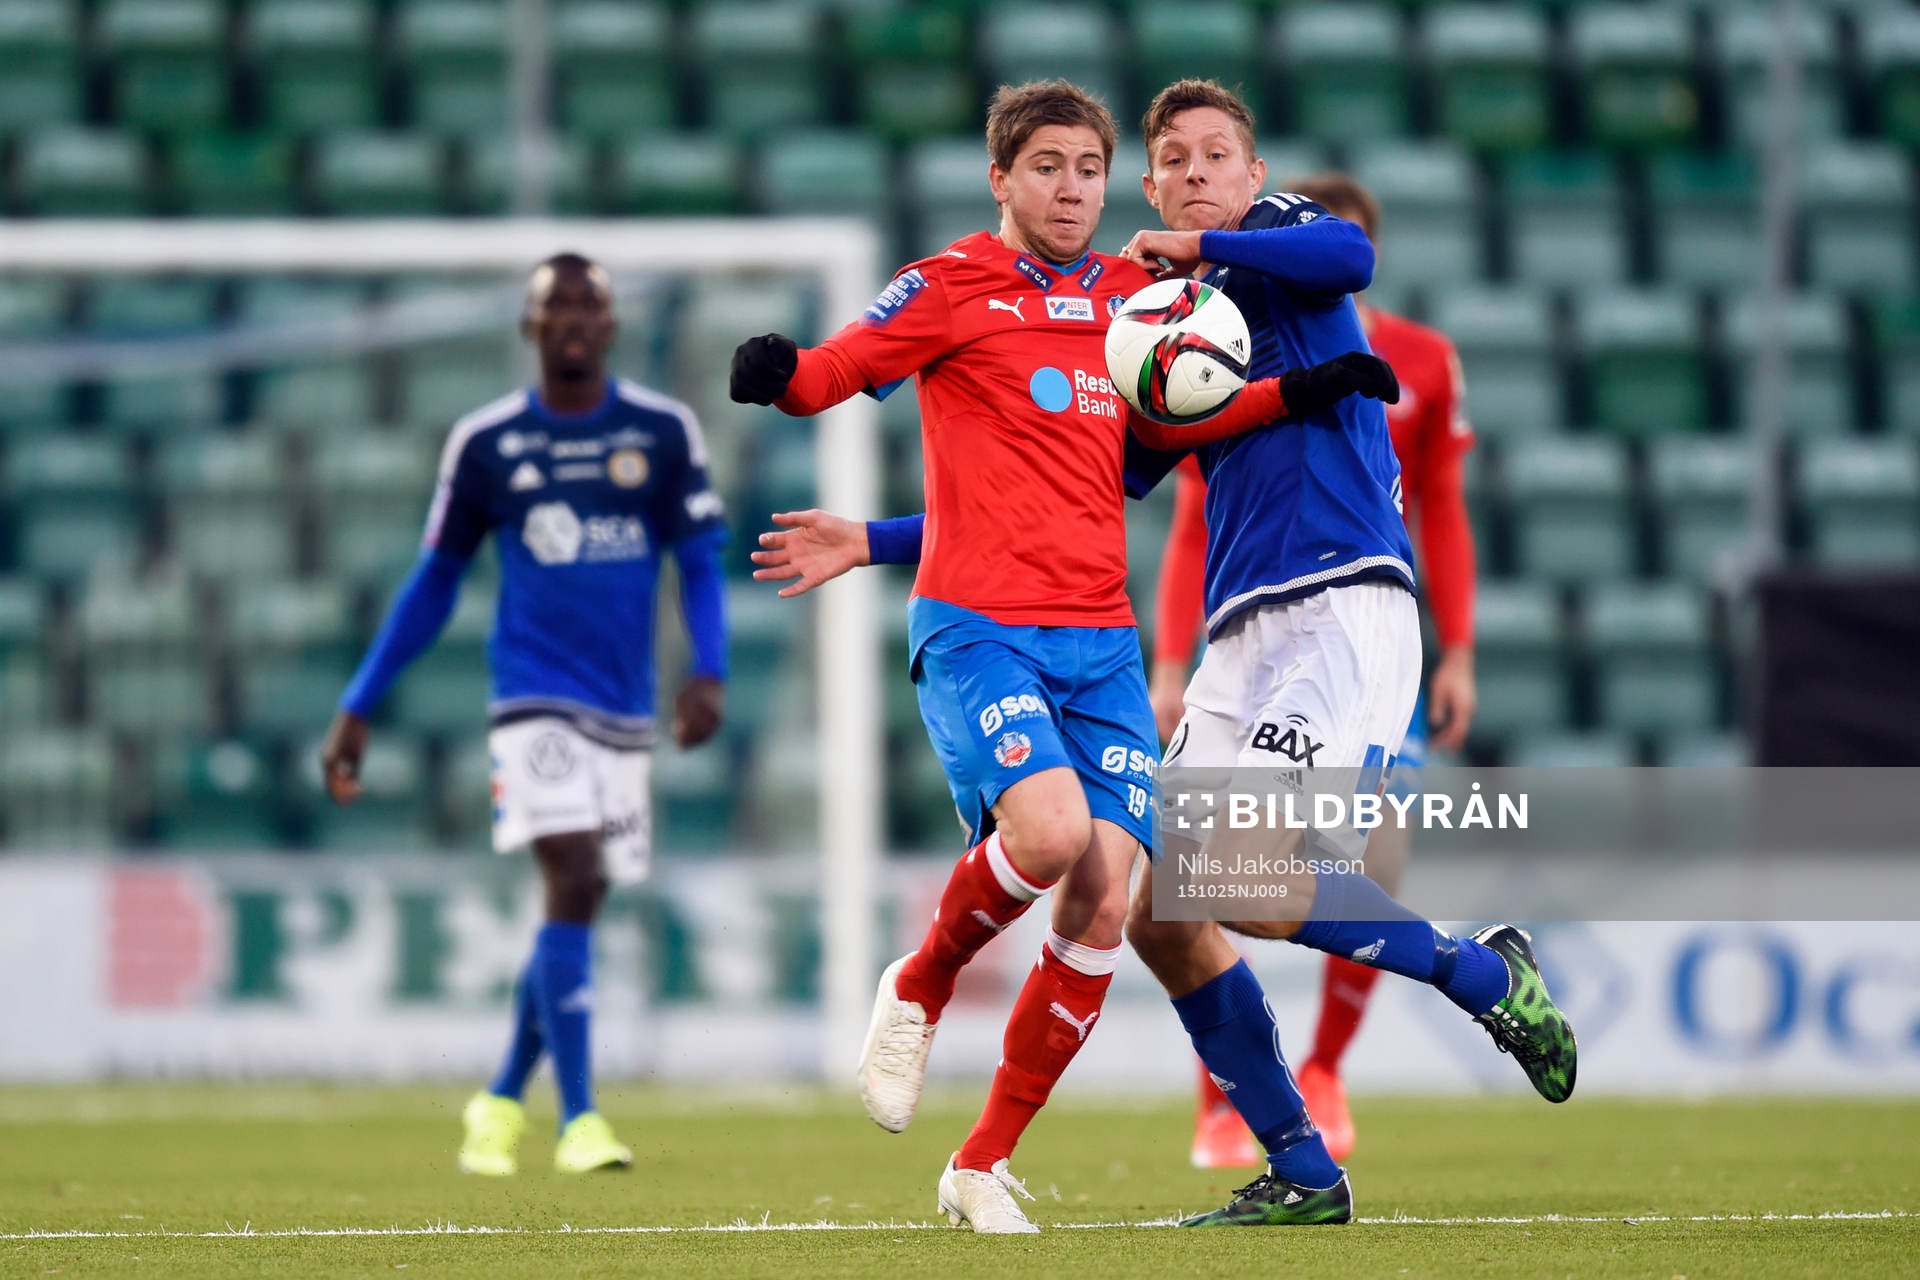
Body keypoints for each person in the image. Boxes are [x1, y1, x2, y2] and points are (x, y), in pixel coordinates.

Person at [758, 80, 1574, 1230]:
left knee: (1238, 872)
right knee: (1158, 909)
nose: (1195, 173)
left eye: (1215, 156)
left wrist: (1200, 248)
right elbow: (1097, 479)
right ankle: (1300, 1165)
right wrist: (877, 538)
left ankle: (1485, 972)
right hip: (1243, 622)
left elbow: (1351, 259)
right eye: (1173, 163)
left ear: (1250, 173)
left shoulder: (1284, 233)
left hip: (1342, 600)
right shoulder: (1149, 316)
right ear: (1145, 185)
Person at [320, 253, 730, 1177]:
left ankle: (499, 1099)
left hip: (624, 708)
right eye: (558, 306)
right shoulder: (487, 442)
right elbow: (435, 581)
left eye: (592, 304)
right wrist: (358, 705)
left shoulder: (662, 432)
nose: (576, 318)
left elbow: (700, 560)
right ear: (530, 326)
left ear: (613, 325)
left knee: (576, 904)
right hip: (532, 698)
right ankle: (579, 1120)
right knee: (574, 874)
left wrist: (710, 668)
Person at [1154, 172, 1482, 1170]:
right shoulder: (1218, 334)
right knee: (1174, 889)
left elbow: (1443, 503)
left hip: (1354, 622)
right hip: (1246, 630)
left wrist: (1460, 646)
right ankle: (1241, 1108)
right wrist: (1172, 654)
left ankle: (1330, 1068)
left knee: (1346, 859)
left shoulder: (1417, 356)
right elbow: (1185, 518)